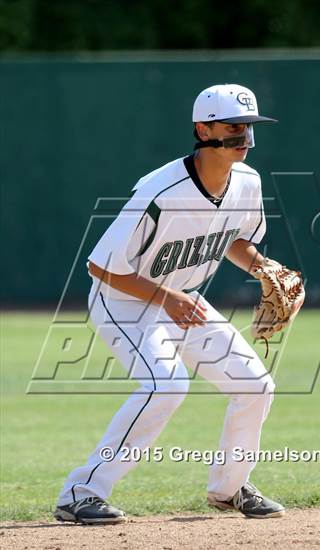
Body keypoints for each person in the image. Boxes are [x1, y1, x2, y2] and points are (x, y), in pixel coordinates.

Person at [54, 84, 284, 524]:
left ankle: (230, 488)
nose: (244, 136)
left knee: (256, 386)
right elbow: (100, 267)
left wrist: (266, 271)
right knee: (166, 384)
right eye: (234, 126)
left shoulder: (248, 183)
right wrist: (166, 298)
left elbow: (236, 241)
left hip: (184, 301)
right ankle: (80, 493)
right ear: (203, 128)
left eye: (250, 127)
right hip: (124, 301)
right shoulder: (161, 190)